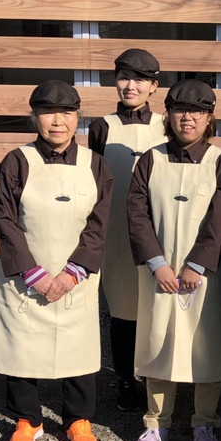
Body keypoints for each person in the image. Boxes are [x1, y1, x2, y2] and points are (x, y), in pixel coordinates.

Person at [0, 80, 114, 441]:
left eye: (66, 113)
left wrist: (73, 271)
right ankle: (27, 419)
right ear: (35, 117)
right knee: (21, 347)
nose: (57, 121)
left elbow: (99, 222)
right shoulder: (17, 160)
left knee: (78, 347)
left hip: (75, 276)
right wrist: (35, 274)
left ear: (77, 117)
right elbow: (5, 220)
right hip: (27, 277)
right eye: (48, 112)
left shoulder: (95, 163)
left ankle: (78, 419)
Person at [127, 79, 221, 441]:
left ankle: (204, 422)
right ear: (168, 115)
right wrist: (157, 264)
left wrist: (197, 263)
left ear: (209, 119)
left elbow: (220, 217)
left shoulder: (219, 161)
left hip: (201, 274)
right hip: (159, 272)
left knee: (205, 346)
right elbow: (137, 214)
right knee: (157, 342)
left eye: (198, 111)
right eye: (179, 110)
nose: (187, 118)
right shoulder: (150, 159)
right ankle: (156, 423)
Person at [88, 48, 166, 412]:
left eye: (139, 79)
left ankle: (157, 378)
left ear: (154, 85)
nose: (129, 85)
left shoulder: (166, 124)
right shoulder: (103, 126)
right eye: (123, 77)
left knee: (156, 306)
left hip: (157, 227)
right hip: (116, 230)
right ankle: (124, 380)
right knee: (122, 310)